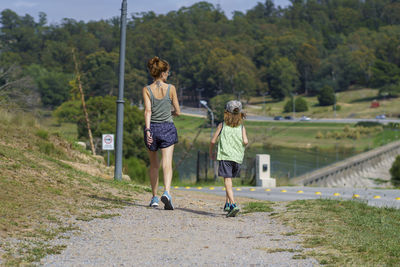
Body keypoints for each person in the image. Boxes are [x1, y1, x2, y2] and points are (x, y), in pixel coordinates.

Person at [143, 56, 180, 210]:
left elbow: (147, 111)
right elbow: (178, 111)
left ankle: (154, 198)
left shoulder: (146, 89)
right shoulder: (170, 89)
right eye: (167, 72)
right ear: (164, 73)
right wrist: (171, 113)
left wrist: (148, 130)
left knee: (154, 165)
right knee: (167, 162)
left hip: (152, 128)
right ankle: (167, 192)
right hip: (167, 128)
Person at [209, 100, 248, 217]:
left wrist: (211, 152)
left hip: (225, 157)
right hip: (237, 158)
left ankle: (233, 204)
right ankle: (227, 203)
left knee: (227, 181)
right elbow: (245, 141)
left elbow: (212, 141)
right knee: (229, 181)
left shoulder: (222, 125)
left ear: (226, 113)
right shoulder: (242, 127)